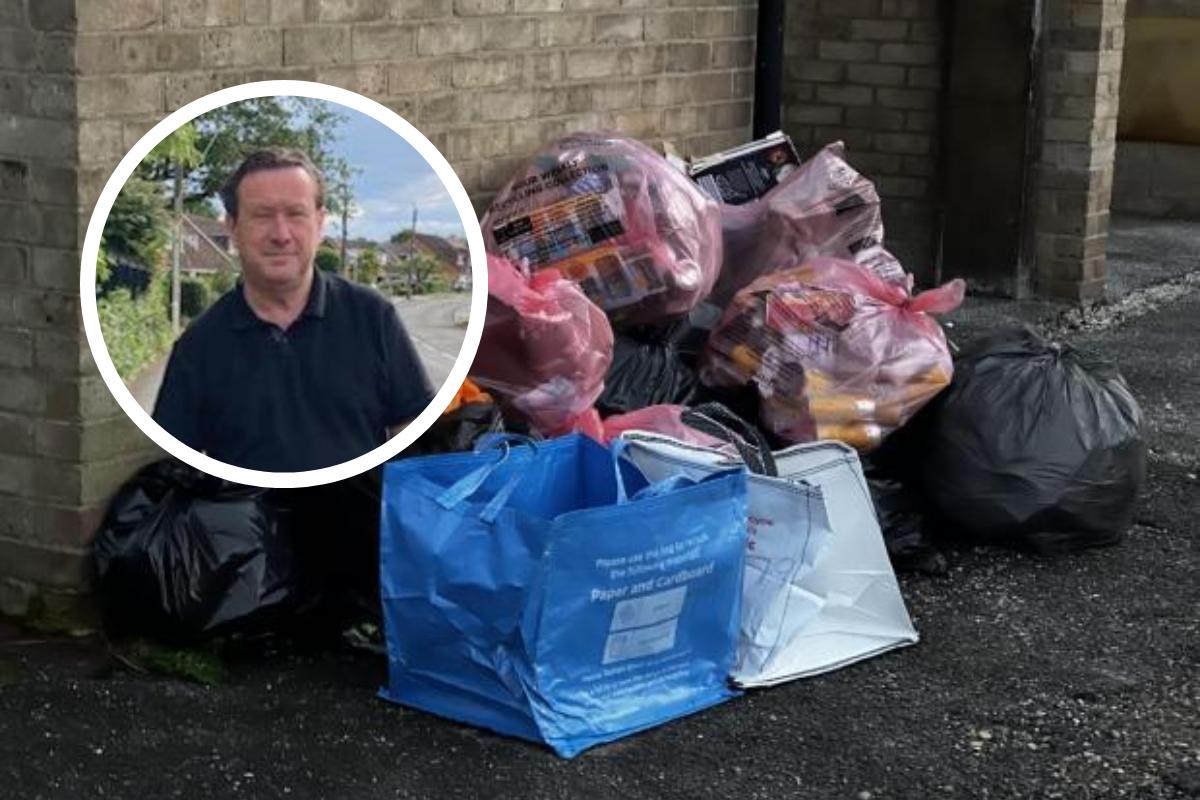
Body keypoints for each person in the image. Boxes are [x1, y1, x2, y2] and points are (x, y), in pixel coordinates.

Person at [153, 148, 436, 472]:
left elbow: (414, 434)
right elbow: (171, 470)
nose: (281, 234)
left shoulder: (372, 317)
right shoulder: (199, 346)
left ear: (319, 222)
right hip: (243, 522)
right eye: (262, 215)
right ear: (232, 227)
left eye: (296, 214)